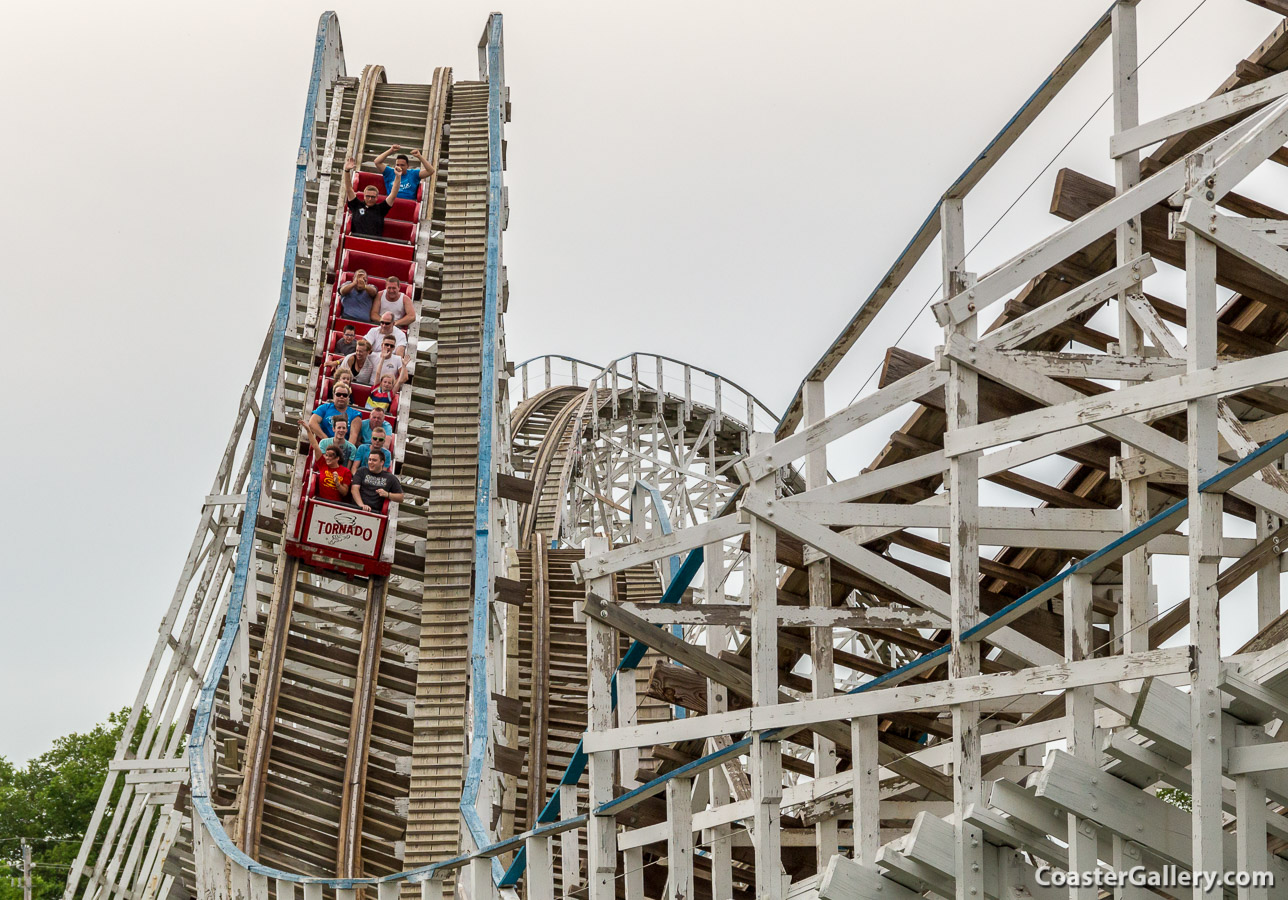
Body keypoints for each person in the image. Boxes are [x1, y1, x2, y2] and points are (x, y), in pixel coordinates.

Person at [343, 158, 397, 238]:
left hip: (374, 242)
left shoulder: (381, 209)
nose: (370, 199)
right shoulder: (356, 205)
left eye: (373, 197)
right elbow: (349, 189)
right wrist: (346, 171)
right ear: (364, 196)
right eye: (368, 196)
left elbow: (393, 195)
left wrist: (398, 177)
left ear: (377, 198)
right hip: (356, 239)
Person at [351, 447, 404, 512]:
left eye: (374, 460)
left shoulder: (390, 478)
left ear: (382, 462)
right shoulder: (362, 471)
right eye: (369, 460)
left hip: (375, 512)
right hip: (356, 507)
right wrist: (362, 505)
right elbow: (354, 489)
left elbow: (401, 498)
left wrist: (388, 494)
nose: (371, 462)